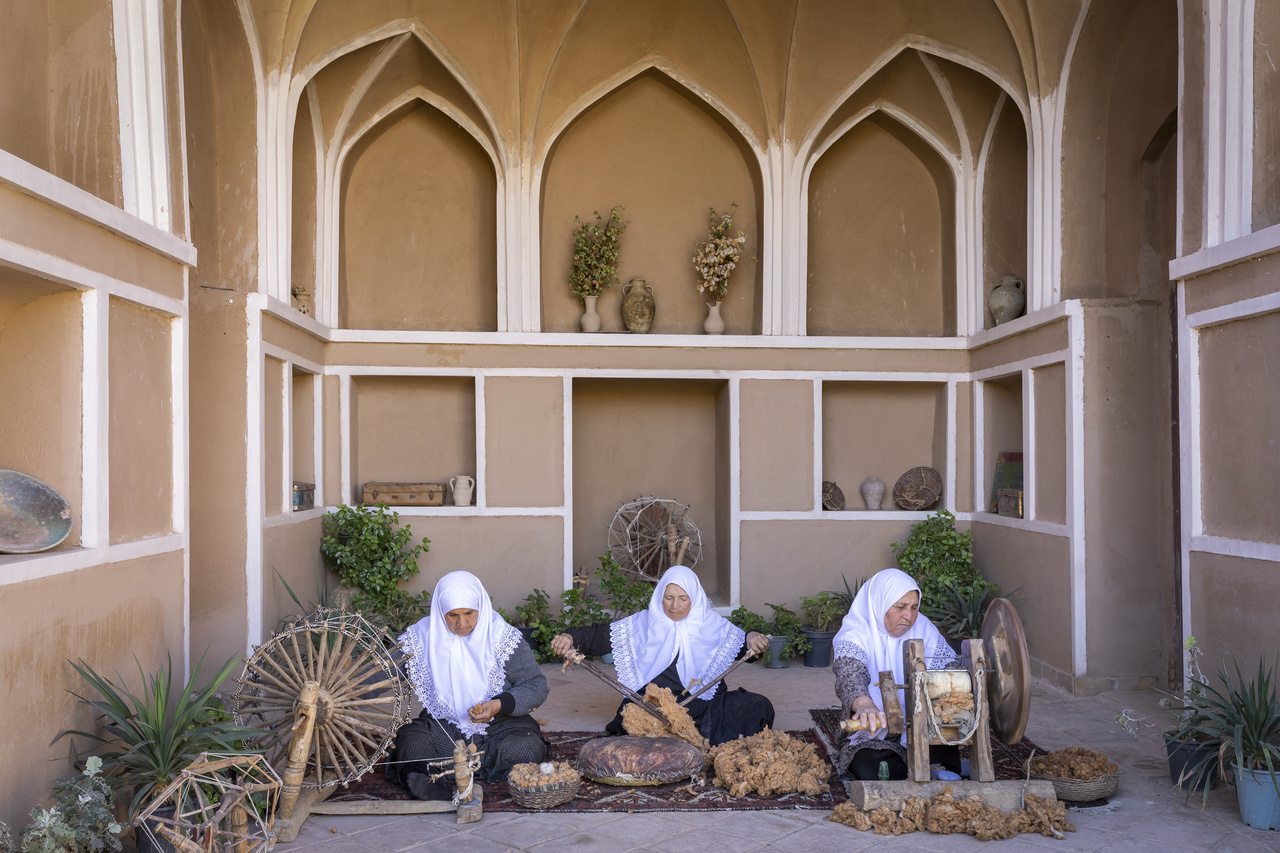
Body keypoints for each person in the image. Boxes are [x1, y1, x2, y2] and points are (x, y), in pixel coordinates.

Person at [549, 565, 773, 746]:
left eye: (683, 598)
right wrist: (570, 638)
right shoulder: (644, 623)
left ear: (694, 597)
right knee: (633, 719)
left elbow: (746, 648)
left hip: (703, 710)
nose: (675, 606)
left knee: (757, 706)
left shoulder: (712, 624)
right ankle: (684, 741)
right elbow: (601, 635)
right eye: (669, 597)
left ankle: (677, 739)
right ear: (660, 596)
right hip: (652, 709)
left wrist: (753, 637)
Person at [386, 570, 549, 799]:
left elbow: (536, 685)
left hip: (500, 727)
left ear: (480, 607)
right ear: (440, 611)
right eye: (452, 615)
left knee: (526, 746)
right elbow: (384, 673)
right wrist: (348, 689)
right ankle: (428, 784)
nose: (462, 623)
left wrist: (498, 705)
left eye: (469, 613)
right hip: (444, 729)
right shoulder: (421, 637)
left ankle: (446, 773)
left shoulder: (502, 637)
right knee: (410, 740)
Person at [832, 567, 962, 780]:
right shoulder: (855, 634)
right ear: (879, 603)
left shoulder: (923, 628)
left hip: (922, 729)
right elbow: (850, 674)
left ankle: (932, 766)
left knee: (944, 738)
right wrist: (865, 705)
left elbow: (950, 669)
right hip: (875, 734)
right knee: (869, 768)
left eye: (914, 607)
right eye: (900, 607)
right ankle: (931, 769)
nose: (909, 616)